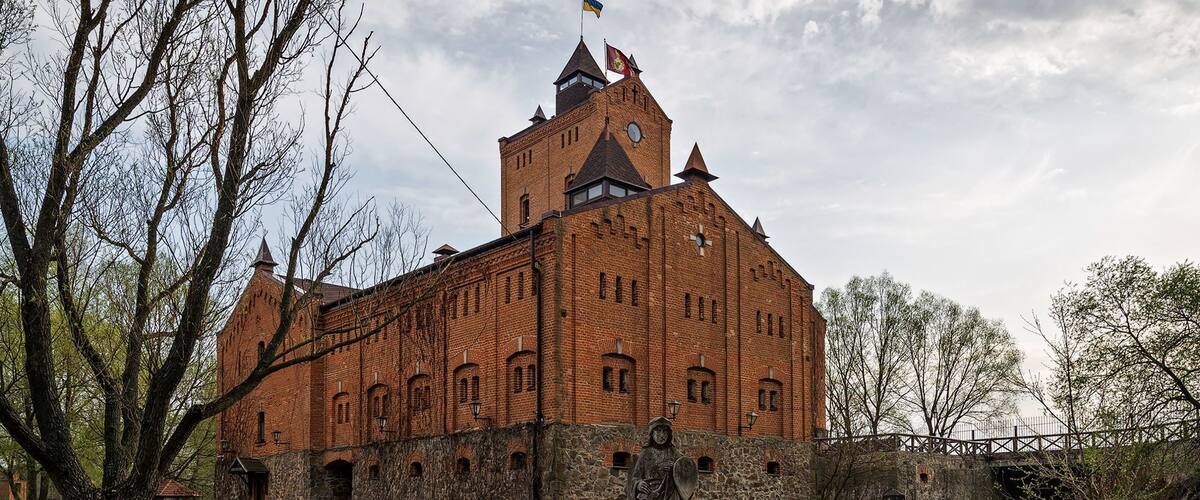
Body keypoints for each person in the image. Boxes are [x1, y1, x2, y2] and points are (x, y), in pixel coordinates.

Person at [625, 417, 689, 500]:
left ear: (669, 434)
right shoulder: (645, 453)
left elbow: (685, 474)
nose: (662, 435)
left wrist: (675, 468)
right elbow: (635, 478)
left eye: (665, 431)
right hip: (649, 493)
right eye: (658, 431)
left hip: (669, 493)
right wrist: (639, 484)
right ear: (652, 433)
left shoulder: (674, 453)